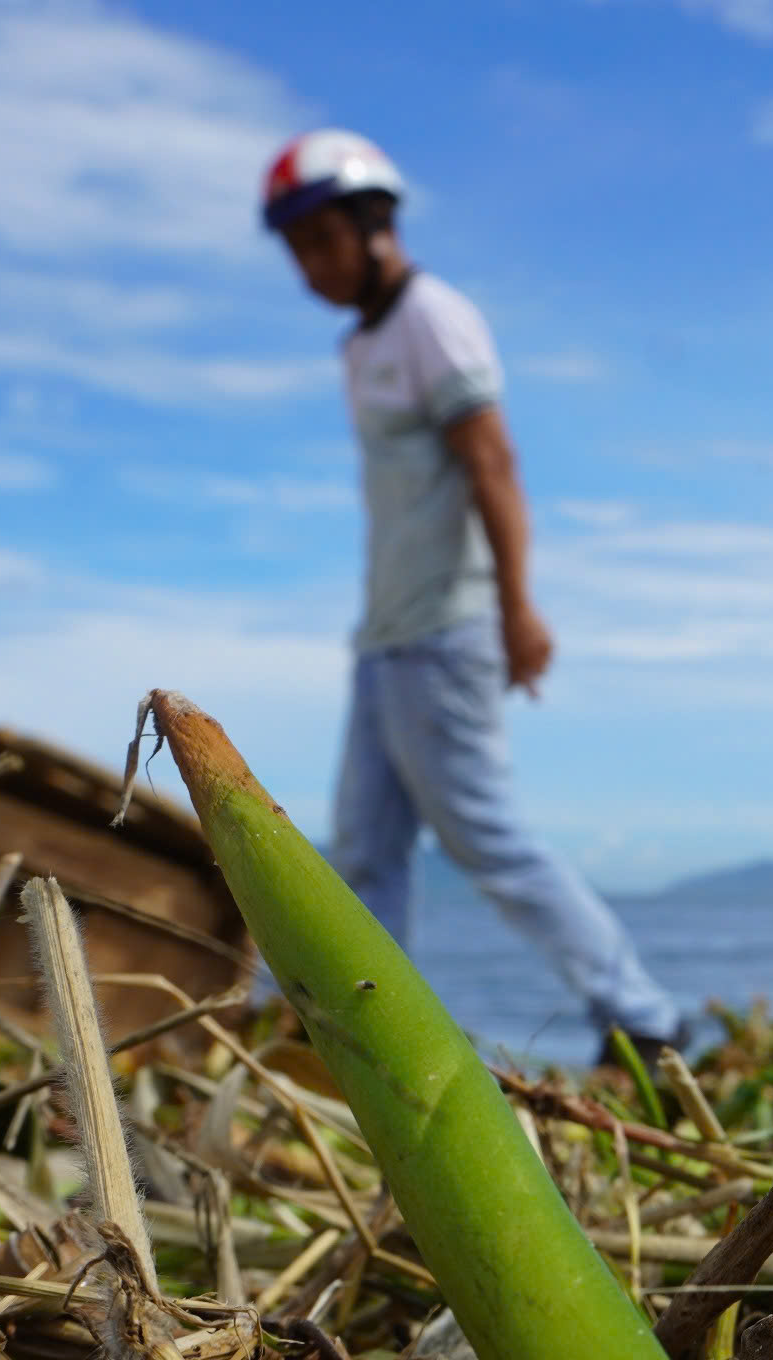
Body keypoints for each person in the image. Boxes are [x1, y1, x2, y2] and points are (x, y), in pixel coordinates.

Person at [260, 128, 685, 1064]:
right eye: (294, 248)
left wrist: (518, 608)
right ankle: (369, 1037)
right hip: (383, 639)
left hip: (445, 633)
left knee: (485, 839)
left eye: (320, 241)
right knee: (364, 852)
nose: (308, 267)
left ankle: (646, 1016)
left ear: (376, 225)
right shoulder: (361, 345)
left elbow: (492, 463)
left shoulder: (432, 321)